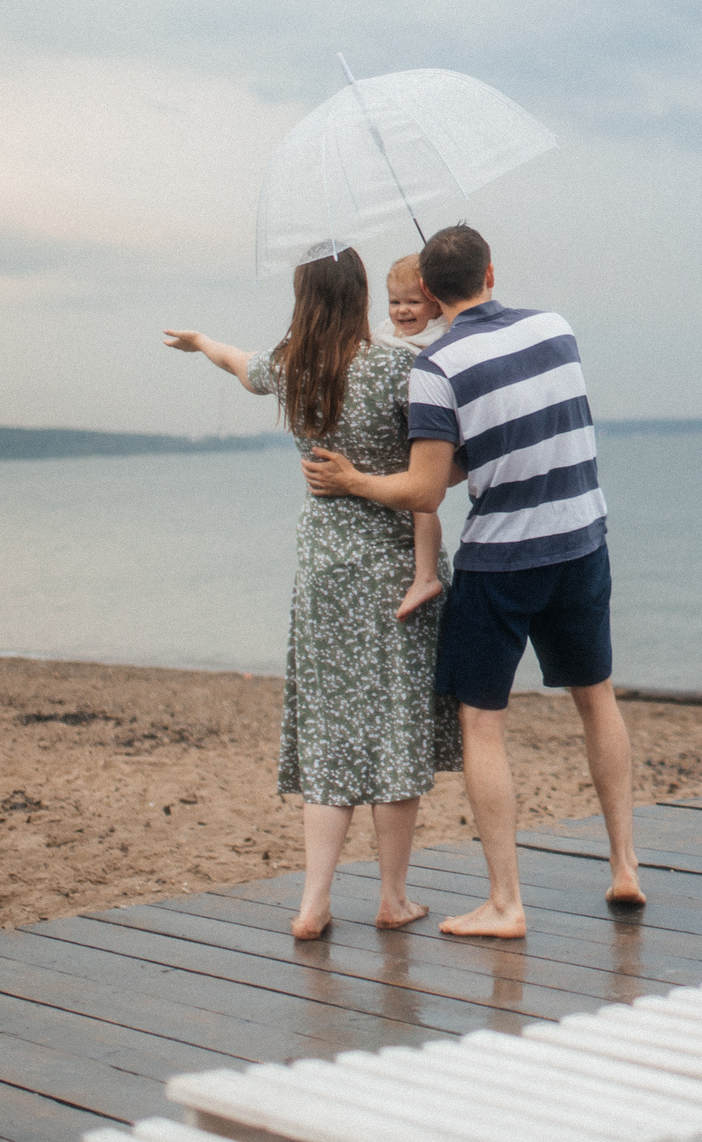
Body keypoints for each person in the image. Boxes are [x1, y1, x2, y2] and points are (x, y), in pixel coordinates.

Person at [301, 224, 642, 939]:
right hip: (582, 538)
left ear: (425, 292)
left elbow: (428, 490)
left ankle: (506, 902)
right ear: (492, 272)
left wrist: (355, 479)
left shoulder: (436, 367)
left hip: (504, 560)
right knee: (596, 696)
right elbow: (511, 436)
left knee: (483, 723)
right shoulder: (556, 327)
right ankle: (625, 866)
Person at [161, 247, 460, 940]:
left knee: (331, 732)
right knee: (394, 730)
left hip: (324, 567)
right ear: (360, 295)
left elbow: (239, 364)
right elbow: (435, 465)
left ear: (304, 299)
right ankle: (391, 896)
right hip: (391, 566)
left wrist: (202, 340)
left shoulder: (294, 366)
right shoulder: (397, 366)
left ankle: (313, 902)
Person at [374, 254, 449, 620]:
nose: (402, 311)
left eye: (413, 302)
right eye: (394, 302)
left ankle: (426, 576)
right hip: (406, 428)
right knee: (415, 502)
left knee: (423, 501)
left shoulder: (441, 334)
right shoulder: (386, 335)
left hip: (434, 430)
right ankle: (424, 575)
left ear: (435, 303)